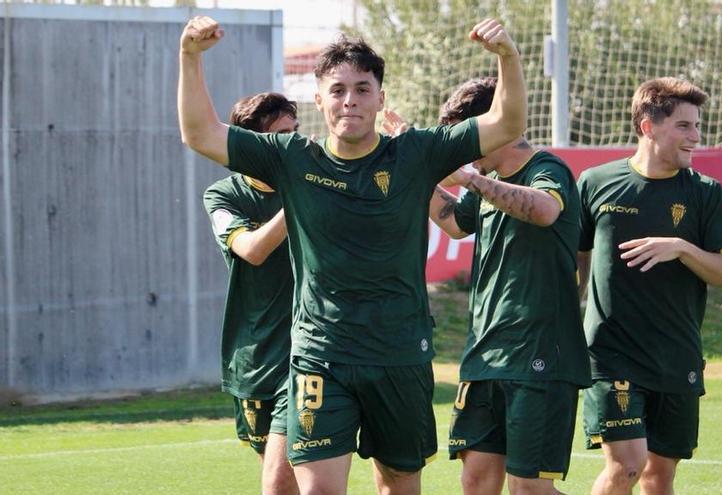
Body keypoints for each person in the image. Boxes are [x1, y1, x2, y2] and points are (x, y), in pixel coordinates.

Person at [178, 16, 526, 495]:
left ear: (380, 99)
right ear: (319, 99)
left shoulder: (416, 153)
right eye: (338, 90)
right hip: (321, 355)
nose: (350, 101)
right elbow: (200, 134)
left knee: (398, 483)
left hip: (400, 353)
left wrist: (507, 56)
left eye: (363, 89)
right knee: (318, 489)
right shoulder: (292, 157)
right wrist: (190, 56)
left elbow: (508, 121)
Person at [414, 77, 590, 495]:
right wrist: (411, 167)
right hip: (484, 356)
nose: (464, 151)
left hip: (539, 354)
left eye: (467, 138)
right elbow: (455, 223)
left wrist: (472, 178)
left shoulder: (548, 169)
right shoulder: (488, 183)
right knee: (476, 482)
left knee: (528, 488)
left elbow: (545, 210)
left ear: (493, 124)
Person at [576, 77, 722, 495]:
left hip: (676, 355)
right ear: (649, 127)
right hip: (612, 355)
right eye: (684, 126)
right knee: (626, 466)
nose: (696, 137)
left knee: (659, 476)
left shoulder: (706, 194)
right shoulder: (595, 183)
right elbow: (576, 265)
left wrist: (681, 248)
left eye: (697, 126)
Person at [202, 92, 299, 495]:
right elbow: (252, 250)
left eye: (296, 133)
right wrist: (300, 198)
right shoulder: (223, 195)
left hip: (313, 351)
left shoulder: (316, 179)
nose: (293, 144)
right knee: (280, 478)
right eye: (281, 136)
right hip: (257, 358)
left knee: (283, 478)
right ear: (252, 146)